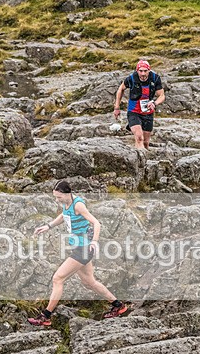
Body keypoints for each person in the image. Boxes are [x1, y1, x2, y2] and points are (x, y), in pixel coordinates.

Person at [28, 180, 128, 326]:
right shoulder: (66, 203)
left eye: (59, 197)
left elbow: (96, 223)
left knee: (58, 278)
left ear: (67, 193)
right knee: (89, 282)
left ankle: (45, 316)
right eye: (55, 197)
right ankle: (119, 306)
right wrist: (48, 226)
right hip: (78, 247)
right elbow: (64, 216)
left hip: (84, 248)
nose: (57, 200)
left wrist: (94, 241)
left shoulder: (78, 205)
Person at [113, 60, 165, 150]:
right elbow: (120, 89)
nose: (143, 74)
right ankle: (139, 157)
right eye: (140, 71)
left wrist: (154, 103)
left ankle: (143, 157)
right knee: (139, 138)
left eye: (145, 71)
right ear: (137, 70)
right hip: (134, 112)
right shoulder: (131, 78)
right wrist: (117, 107)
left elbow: (162, 95)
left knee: (146, 143)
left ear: (149, 70)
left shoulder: (155, 78)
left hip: (148, 112)